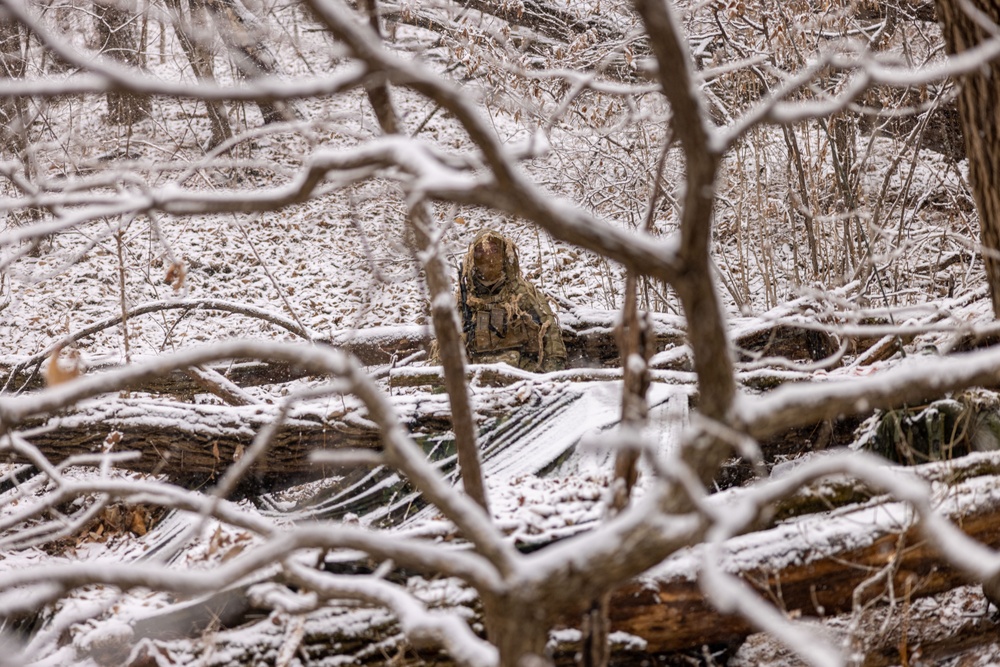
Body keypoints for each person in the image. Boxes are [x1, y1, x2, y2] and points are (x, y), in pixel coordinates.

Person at [456, 229, 567, 372]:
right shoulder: (465, 301)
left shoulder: (523, 293)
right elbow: (446, 345)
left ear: (504, 254)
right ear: (472, 257)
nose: (488, 256)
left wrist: (552, 372)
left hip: (525, 372)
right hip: (476, 375)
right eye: (481, 251)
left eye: (495, 250)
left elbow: (550, 332)